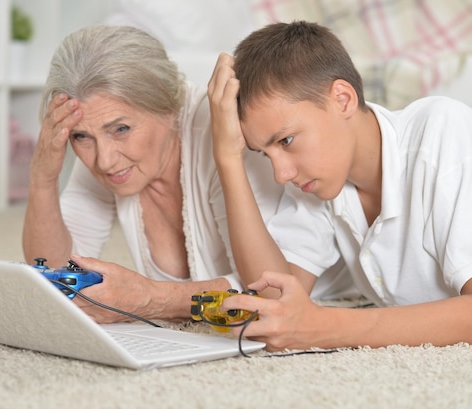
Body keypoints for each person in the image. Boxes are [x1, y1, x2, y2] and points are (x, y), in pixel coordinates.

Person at [22, 24, 353, 323]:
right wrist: (43, 178)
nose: (105, 161)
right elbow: (57, 274)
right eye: (81, 137)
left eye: (121, 129)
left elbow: (269, 296)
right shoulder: (102, 138)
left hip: (335, 286)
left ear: (168, 106)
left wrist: (150, 299)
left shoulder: (224, 133)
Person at [207, 20, 472, 351]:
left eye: (286, 140)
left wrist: (326, 326)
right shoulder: (320, 181)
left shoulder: (442, 132)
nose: (281, 173)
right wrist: (228, 159)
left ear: (343, 99)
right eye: (264, 154)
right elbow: (274, 299)